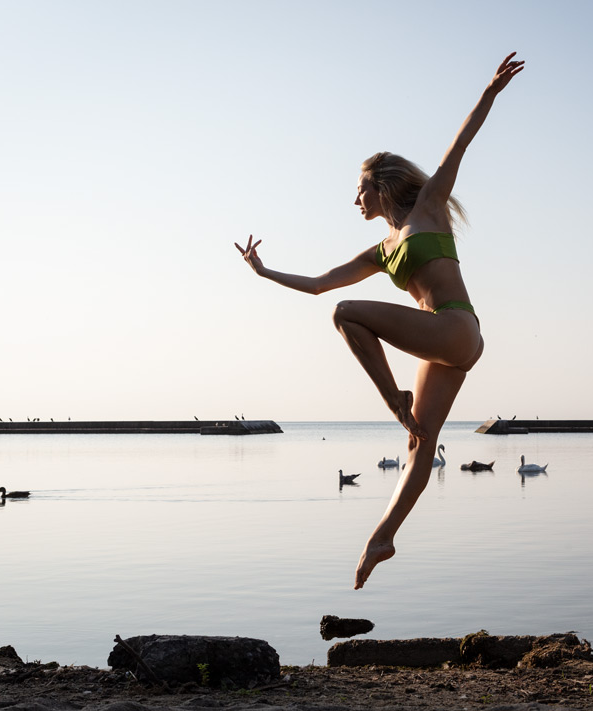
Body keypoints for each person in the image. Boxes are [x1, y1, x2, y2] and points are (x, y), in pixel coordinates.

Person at [236, 53, 525, 589]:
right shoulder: (381, 250)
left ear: (381, 185)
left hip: (455, 326)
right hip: (448, 342)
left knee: (348, 315)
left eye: (361, 190)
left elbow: (458, 146)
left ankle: (393, 399)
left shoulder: (429, 209)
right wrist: (264, 271)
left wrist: (489, 92)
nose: (355, 200)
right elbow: (321, 282)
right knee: (420, 441)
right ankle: (383, 536)